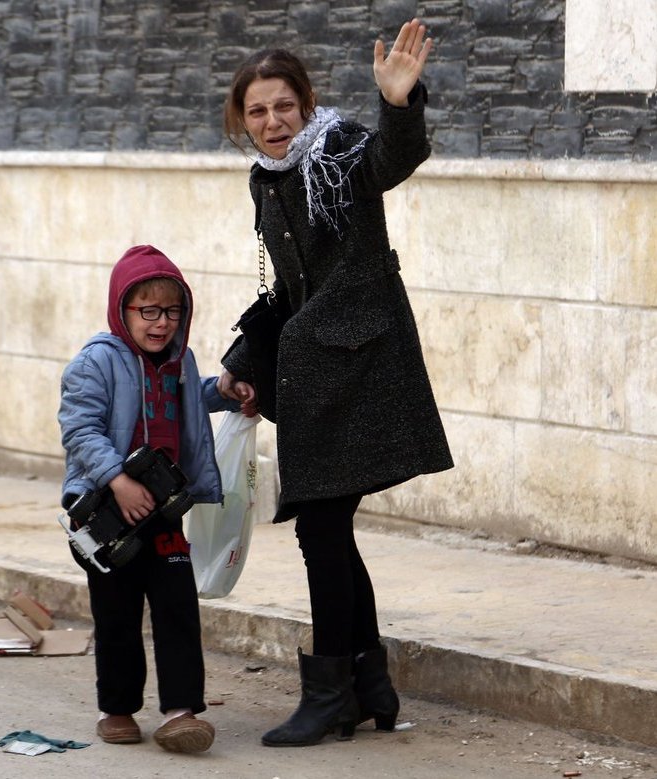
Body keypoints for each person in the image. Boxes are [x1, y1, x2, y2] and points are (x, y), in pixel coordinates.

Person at [217, 19, 454, 747]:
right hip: (318, 373)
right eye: (257, 111)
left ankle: (328, 694)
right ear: (241, 121)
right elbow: (289, 289)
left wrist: (398, 102)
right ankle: (366, 683)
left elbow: (392, 157)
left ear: (304, 102)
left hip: (364, 367)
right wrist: (242, 361)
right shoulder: (267, 181)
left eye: (282, 106)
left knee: (320, 527)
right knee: (329, 529)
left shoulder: (340, 148)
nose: (272, 122)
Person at [58, 244, 255, 753]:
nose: (161, 323)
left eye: (172, 311)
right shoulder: (95, 362)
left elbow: (189, 400)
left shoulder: (180, 360)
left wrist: (225, 388)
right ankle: (117, 710)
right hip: (109, 514)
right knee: (117, 613)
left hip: (164, 513)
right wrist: (116, 481)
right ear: (121, 311)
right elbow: (79, 428)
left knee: (177, 607)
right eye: (148, 311)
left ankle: (180, 711)